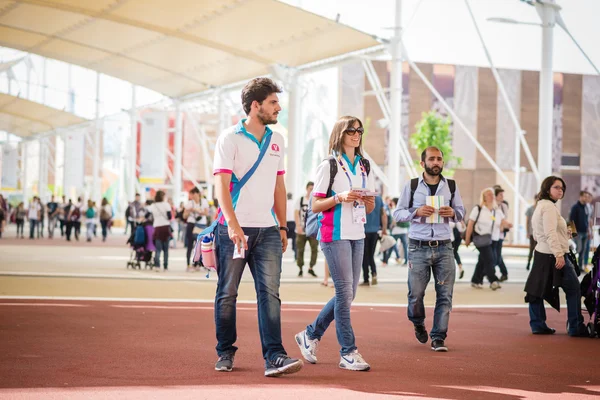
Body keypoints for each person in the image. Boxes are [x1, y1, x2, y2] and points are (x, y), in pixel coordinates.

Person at [213, 77, 302, 377]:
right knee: (227, 293)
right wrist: (233, 226)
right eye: (273, 102)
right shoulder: (230, 138)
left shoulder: (278, 140)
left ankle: (275, 356)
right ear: (256, 105)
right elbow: (221, 187)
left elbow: (279, 185)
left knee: (270, 294)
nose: (279, 107)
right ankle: (225, 351)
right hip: (234, 231)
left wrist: (283, 227)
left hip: (267, 231)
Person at [295, 115, 375, 371]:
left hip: (357, 233)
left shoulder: (364, 165)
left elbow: (371, 205)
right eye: (351, 130)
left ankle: (310, 335)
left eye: (359, 130)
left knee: (349, 293)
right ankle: (348, 351)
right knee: (344, 292)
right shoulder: (329, 165)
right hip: (334, 234)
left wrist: (365, 200)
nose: (356, 134)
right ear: (340, 133)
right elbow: (315, 205)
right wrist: (339, 197)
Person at [392, 146, 465, 352]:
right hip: (418, 246)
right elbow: (397, 213)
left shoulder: (450, 185)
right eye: (432, 159)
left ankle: (438, 337)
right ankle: (417, 322)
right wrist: (416, 212)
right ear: (422, 163)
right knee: (416, 294)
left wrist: (453, 212)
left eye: (439, 159)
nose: (436, 163)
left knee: (445, 295)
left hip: (444, 247)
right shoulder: (412, 186)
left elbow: (461, 212)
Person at [524, 176, 587, 337]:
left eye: (562, 188)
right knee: (573, 289)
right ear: (547, 189)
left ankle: (538, 324)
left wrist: (565, 233)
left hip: (542, 253)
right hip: (554, 255)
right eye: (557, 187)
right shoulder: (549, 208)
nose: (561, 190)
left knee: (536, 290)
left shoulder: (542, 206)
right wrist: (559, 254)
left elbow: (540, 234)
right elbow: (550, 232)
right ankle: (575, 326)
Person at [465, 188, 511, 290]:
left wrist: (508, 225)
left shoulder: (496, 210)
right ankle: (493, 281)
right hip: (481, 239)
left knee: (483, 260)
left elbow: (503, 221)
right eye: (488, 194)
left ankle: (475, 280)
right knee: (490, 259)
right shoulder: (478, 209)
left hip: (494, 239)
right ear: (484, 197)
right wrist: (467, 239)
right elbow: (470, 224)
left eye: (492, 194)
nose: (491, 196)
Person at [361, 195, 387, 286]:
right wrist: (384, 229)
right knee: (371, 254)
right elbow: (383, 214)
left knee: (364, 256)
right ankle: (374, 273)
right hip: (375, 231)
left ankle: (366, 279)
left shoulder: (361, 197)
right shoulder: (378, 198)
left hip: (363, 230)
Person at [294, 181, 318, 278]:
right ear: (306, 189)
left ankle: (311, 268)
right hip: (301, 230)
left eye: (313, 189)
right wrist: (298, 225)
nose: (311, 191)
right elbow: (296, 213)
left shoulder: (316, 200)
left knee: (314, 249)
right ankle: (300, 268)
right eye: (310, 189)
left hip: (313, 230)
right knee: (300, 249)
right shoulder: (300, 200)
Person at [184, 187, 209, 272]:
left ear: (197, 194)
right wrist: (189, 211)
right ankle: (188, 264)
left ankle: (197, 263)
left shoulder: (204, 201)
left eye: (193, 194)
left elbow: (206, 213)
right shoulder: (189, 203)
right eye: (191, 194)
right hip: (191, 225)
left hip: (201, 225)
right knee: (190, 245)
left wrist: (196, 211)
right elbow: (184, 216)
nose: (192, 196)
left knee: (200, 245)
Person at [149, 191, 172, 271]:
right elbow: (169, 217)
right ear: (163, 197)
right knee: (166, 250)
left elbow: (147, 215)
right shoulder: (166, 205)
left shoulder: (153, 205)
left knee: (158, 249)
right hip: (165, 227)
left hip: (157, 228)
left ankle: (157, 266)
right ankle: (165, 266)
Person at [569, 191, 590, 273]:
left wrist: (588, 231)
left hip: (585, 232)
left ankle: (580, 267)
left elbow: (586, 220)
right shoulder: (575, 207)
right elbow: (571, 220)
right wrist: (573, 233)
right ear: (580, 197)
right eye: (585, 196)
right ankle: (570, 265)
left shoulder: (586, 207)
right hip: (578, 233)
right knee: (578, 249)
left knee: (583, 251)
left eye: (587, 196)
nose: (586, 198)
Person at [493, 186, 510, 281]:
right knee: (494, 255)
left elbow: (505, 218)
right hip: (492, 234)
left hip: (500, 233)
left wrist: (502, 226)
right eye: (500, 195)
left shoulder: (504, 206)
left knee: (497, 255)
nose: (502, 196)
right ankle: (502, 273)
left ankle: (490, 273)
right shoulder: (491, 205)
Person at [525, 195, 539, 271]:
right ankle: (528, 263)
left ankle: (535, 265)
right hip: (531, 232)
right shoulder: (530, 209)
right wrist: (527, 232)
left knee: (538, 250)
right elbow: (527, 221)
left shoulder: (541, 209)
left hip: (539, 233)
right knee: (531, 248)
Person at [286, 192, 297, 260]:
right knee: (295, 239)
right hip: (293, 223)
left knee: (282, 239)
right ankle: (296, 256)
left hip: (286, 223)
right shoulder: (294, 203)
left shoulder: (285, 203)